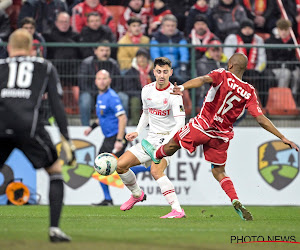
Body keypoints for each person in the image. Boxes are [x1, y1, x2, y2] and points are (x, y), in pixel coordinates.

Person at [141, 53, 299, 221]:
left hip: (203, 125)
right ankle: (235, 199)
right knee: (219, 171)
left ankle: (156, 154)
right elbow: (260, 118)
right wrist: (282, 137)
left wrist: (182, 87)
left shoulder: (222, 74)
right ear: (244, 69)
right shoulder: (249, 91)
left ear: (230, 65)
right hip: (221, 136)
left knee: (175, 142)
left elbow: (202, 79)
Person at [0, 29, 76, 242]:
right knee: (55, 170)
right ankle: (54, 230)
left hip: (1, 125)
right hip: (29, 128)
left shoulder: (1, 66)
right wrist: (66, 138)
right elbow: (56, 104)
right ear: (33, 48)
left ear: (9, 48)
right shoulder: (44, 66)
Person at [116, 57, 186, 219]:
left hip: (168, 141)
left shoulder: (174, 95)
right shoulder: (146, 90)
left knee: (156, 171)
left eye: (165, 72)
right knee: (120, 165)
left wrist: (165, 142)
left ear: (171, 72)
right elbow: (146, 113)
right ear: (154, 72)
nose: (162, 75)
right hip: (149, 140)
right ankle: (137, 194)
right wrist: (137, 131)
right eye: (159, 71)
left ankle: (177, 210)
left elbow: (180, 123)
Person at [84, 70, 127, 206]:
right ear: (95, 81)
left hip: (115, 137)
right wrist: (92, 127)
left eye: (104, 79)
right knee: (105, 168)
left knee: (113, 167)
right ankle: (107, 199)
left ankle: (150, 167)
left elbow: (123, 118)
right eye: (99, 79)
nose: (101, 81)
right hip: (108, 138)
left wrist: (119, 140)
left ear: (109, 81)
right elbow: (102, 117)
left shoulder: (112, 97)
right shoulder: (100, 96)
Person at [78, 42, 122, 126]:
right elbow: (83, 84)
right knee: (85, 99)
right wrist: (98, 93)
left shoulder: (113, 64)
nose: (105, 53)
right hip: (91, 93)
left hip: (109, 94)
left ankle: (121, 126)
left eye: (107, 50)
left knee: (123, 97)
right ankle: (85, 126)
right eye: (102, 50)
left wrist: (108, 94)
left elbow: (118, 83)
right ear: (95, 51)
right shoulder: (87, 63)